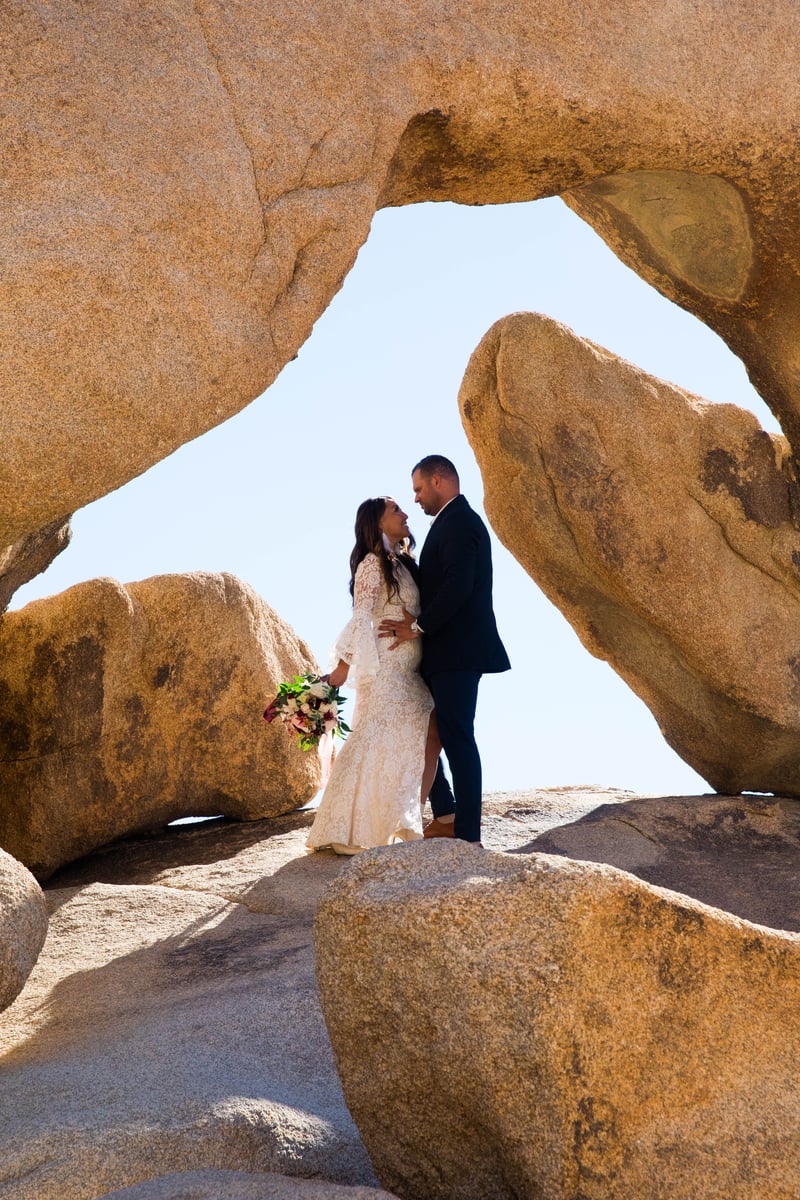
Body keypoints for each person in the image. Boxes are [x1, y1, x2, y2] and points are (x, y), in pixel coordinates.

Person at [380, 455, 510, 844]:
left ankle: (468, 834)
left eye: (419, 489)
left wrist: (417, 627)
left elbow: (459, 585)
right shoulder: (448, 523)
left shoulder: (461, 522)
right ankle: (448, 813)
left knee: (457, 736)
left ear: (439, 480)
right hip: (442, 655)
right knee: (434, 732)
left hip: (457, 653)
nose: (416, 499)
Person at [307, 496, 440, 854]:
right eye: (396, 510)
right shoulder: (371, 563)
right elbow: (361, 615)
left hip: (409, 670)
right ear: (379, 523)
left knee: (426, 737)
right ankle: (356, 830)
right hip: (387, 669)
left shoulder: (403, 562)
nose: (405, 513)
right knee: (377, 738)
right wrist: (342, 668)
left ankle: (402, 819)